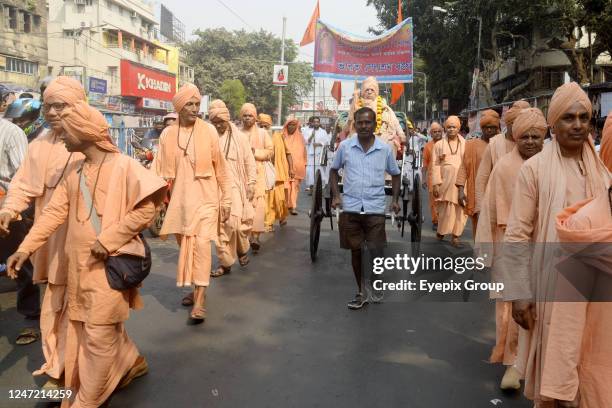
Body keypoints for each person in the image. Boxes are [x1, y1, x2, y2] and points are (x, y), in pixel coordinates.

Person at [7, 101, 167, 407]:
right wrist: (24, 249)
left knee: (97, 337)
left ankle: (87, 400)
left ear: (83, 131)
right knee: (85, 332)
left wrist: (109, 239)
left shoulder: (124, 166)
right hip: (78, 268)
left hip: (108, 267)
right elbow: (52, 215)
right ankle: (127, 365)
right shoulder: (76, 172)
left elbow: (148, 207)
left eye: (66, 131)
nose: (61, 137)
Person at [503, 82, 610, 407]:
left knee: (590, 360)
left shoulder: (602, 173)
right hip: (550, 287)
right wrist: (519, 295)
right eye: (568, 117)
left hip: (598, 289)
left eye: (583, 118)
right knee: (557, 367)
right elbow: (517, 235)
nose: (577, 125)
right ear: (554, 122)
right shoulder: (533, 171)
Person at [0, 77, 88, 385]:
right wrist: (10, 208)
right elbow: (22, 183)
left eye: (59, 105)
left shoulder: (94, 142)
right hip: (48, 237)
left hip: (87, 237)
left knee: (89, 308)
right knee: (53, 303)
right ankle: (59, 368)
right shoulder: (39, 144)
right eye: (47, 105)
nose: (51, 112)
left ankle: (119, 361)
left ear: (78, 105)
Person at [476, 108, 547, 391]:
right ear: (515, 137)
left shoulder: (551, 165)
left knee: (541, 306)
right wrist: (485, 252)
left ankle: (535, 363)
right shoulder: (503, 165)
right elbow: (490, 208)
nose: (530, 141)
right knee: (509, 306)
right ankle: (511, 362)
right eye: (525, 136)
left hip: (544, 247)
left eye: (535, 136)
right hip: (507, 243)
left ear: (544, 137)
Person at [154, 83, 232, 321]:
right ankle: (196, 289)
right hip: (179, 202)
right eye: (190, 104)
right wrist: (153, 203)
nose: (195, 108)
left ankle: (199, 301)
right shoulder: (168, 134)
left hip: (207, 199)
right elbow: (157, 170)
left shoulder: (208, 131)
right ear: (179, 107)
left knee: (200, 247)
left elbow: (222, 168)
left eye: (197, 104)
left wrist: (226, 199)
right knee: (186, 249)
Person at [329, 107, 401, 310]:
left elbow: (395, 174)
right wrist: (336, 196)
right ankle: (361, 291)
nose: (363, 126)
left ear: (374, 125)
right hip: (350, 207)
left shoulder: (384, 149)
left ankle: (376, 285)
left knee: (376, 250)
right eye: (359, 122)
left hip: (375, 207)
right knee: (356, 251)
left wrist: (395, 200)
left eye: (367, 122)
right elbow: (334, 171)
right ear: (355, 124)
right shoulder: (345, 146)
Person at [0, 85, 38, 347]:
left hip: (6, 206)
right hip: (8, 205)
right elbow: (24, 176)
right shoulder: (12, 131)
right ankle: (30, 315)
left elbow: (23, 178)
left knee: (20, 261)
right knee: (17, 262)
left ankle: (31, 317)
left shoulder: (12, 131)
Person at [208, 100, 256, 277]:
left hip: (236, 186)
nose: (219, 125)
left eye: (221, 121)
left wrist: (251, 183)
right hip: (214, 186)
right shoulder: (209, 137)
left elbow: (249, 162)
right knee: (219, 227)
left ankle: (242, 248)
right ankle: (225, 263)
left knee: (234, 224)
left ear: (227, 119)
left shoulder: (240, 138)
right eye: (215, 122)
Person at [474, 100, 530, 214]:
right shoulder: (495, 144)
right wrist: (480, 207)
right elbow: (481, 178)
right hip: (497, 206)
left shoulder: (532, 144)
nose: (519, 127)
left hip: (526, 206)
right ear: (508, 123)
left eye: (524, 123)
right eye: (515, 123)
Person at [456, 109, 500, 236]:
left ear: (497, 127)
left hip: (498, 194)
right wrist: (460, 190)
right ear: (482, 128)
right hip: (478, 194)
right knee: (480, 230)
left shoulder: (503, 145)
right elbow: (464, 167)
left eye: (492, 127)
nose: (489, 130)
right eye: (486, 127)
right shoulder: (472, 145)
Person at [239, 103, 273, 252]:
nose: (247, 118)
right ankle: (245, 236)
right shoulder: (237, 133)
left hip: (258, 173)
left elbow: (270, 151)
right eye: (245, 116)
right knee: (243, 204)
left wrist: (255, 152)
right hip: (241, 174)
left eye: (250, 116)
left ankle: (256, 236)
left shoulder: (262, 133)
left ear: (255, 117)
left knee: (258, 204)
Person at [347, 76, 406, 161]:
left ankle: (387, 172)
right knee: (350, 144)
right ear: (362, 91)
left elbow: (395, 122)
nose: (369, 92)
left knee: (391, 145)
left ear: (376, 91)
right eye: (367, 90)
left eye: (372, 90)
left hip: (382, 136)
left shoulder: (384, 107)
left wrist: (401, 134)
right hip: (360, 135)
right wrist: (353, 104)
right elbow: (347, 125)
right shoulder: (356, 104)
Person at [432, 115, 467, 247]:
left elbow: (467, 163)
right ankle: (441, 231)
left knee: (460, 210)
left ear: (458, 128)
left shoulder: (465, 143)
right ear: (445, 128)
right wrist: (436, 184)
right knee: (444, 209)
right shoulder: (439, 145)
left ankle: (456, 236)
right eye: (449, 127)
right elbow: (435, 165)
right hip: (445, 182)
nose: (451, 129)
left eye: (454, 127)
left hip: (462, 183)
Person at [260, 114, 294, 232]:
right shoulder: (257, 137)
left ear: (270, 125)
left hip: (278, 172)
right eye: (261, 125)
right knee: (267, 200)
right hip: (263, 173)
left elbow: (288, 153)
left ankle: (282, 217)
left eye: (265, 126)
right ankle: (268, 224)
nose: (263, 128)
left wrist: (291, 168)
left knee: (280, 199)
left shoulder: (278, 136)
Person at [282, 118, 307, 215]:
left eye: (293, 125)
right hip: (284, 166)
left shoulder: (300, 137)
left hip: (298, 167)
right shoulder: (282, 136)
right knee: (286, 187)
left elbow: (304, 151)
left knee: (295, 187)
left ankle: (293, 206)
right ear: (286, 126)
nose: (291, 127)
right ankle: (284, 206)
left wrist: (305, 163)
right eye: (290, 125)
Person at [422, 122, 444, 230]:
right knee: (434, 201)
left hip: (445, 176)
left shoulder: (447, 144)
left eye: (439, 131)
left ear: (442, 132)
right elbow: (425, 164)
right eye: (434, 132)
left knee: (444, 200)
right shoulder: (428, 146)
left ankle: (444, 220)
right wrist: (423, 179)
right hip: (432, 177)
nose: (437, 134)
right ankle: (435, 221)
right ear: (431, 134)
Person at [304, 116, 331, 191]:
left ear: (319, 123)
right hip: (311, 155)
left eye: (317, 122)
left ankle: (320, 188)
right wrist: (311, 136)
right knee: (310, 171)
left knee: (320, 171)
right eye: (314, 122)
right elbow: (306, 142)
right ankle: (311, 187)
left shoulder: (323, 131)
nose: (316, 123)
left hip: (320, 154)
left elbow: (327, 142)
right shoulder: (309, 131)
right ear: (312, 123)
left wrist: (319, 144)